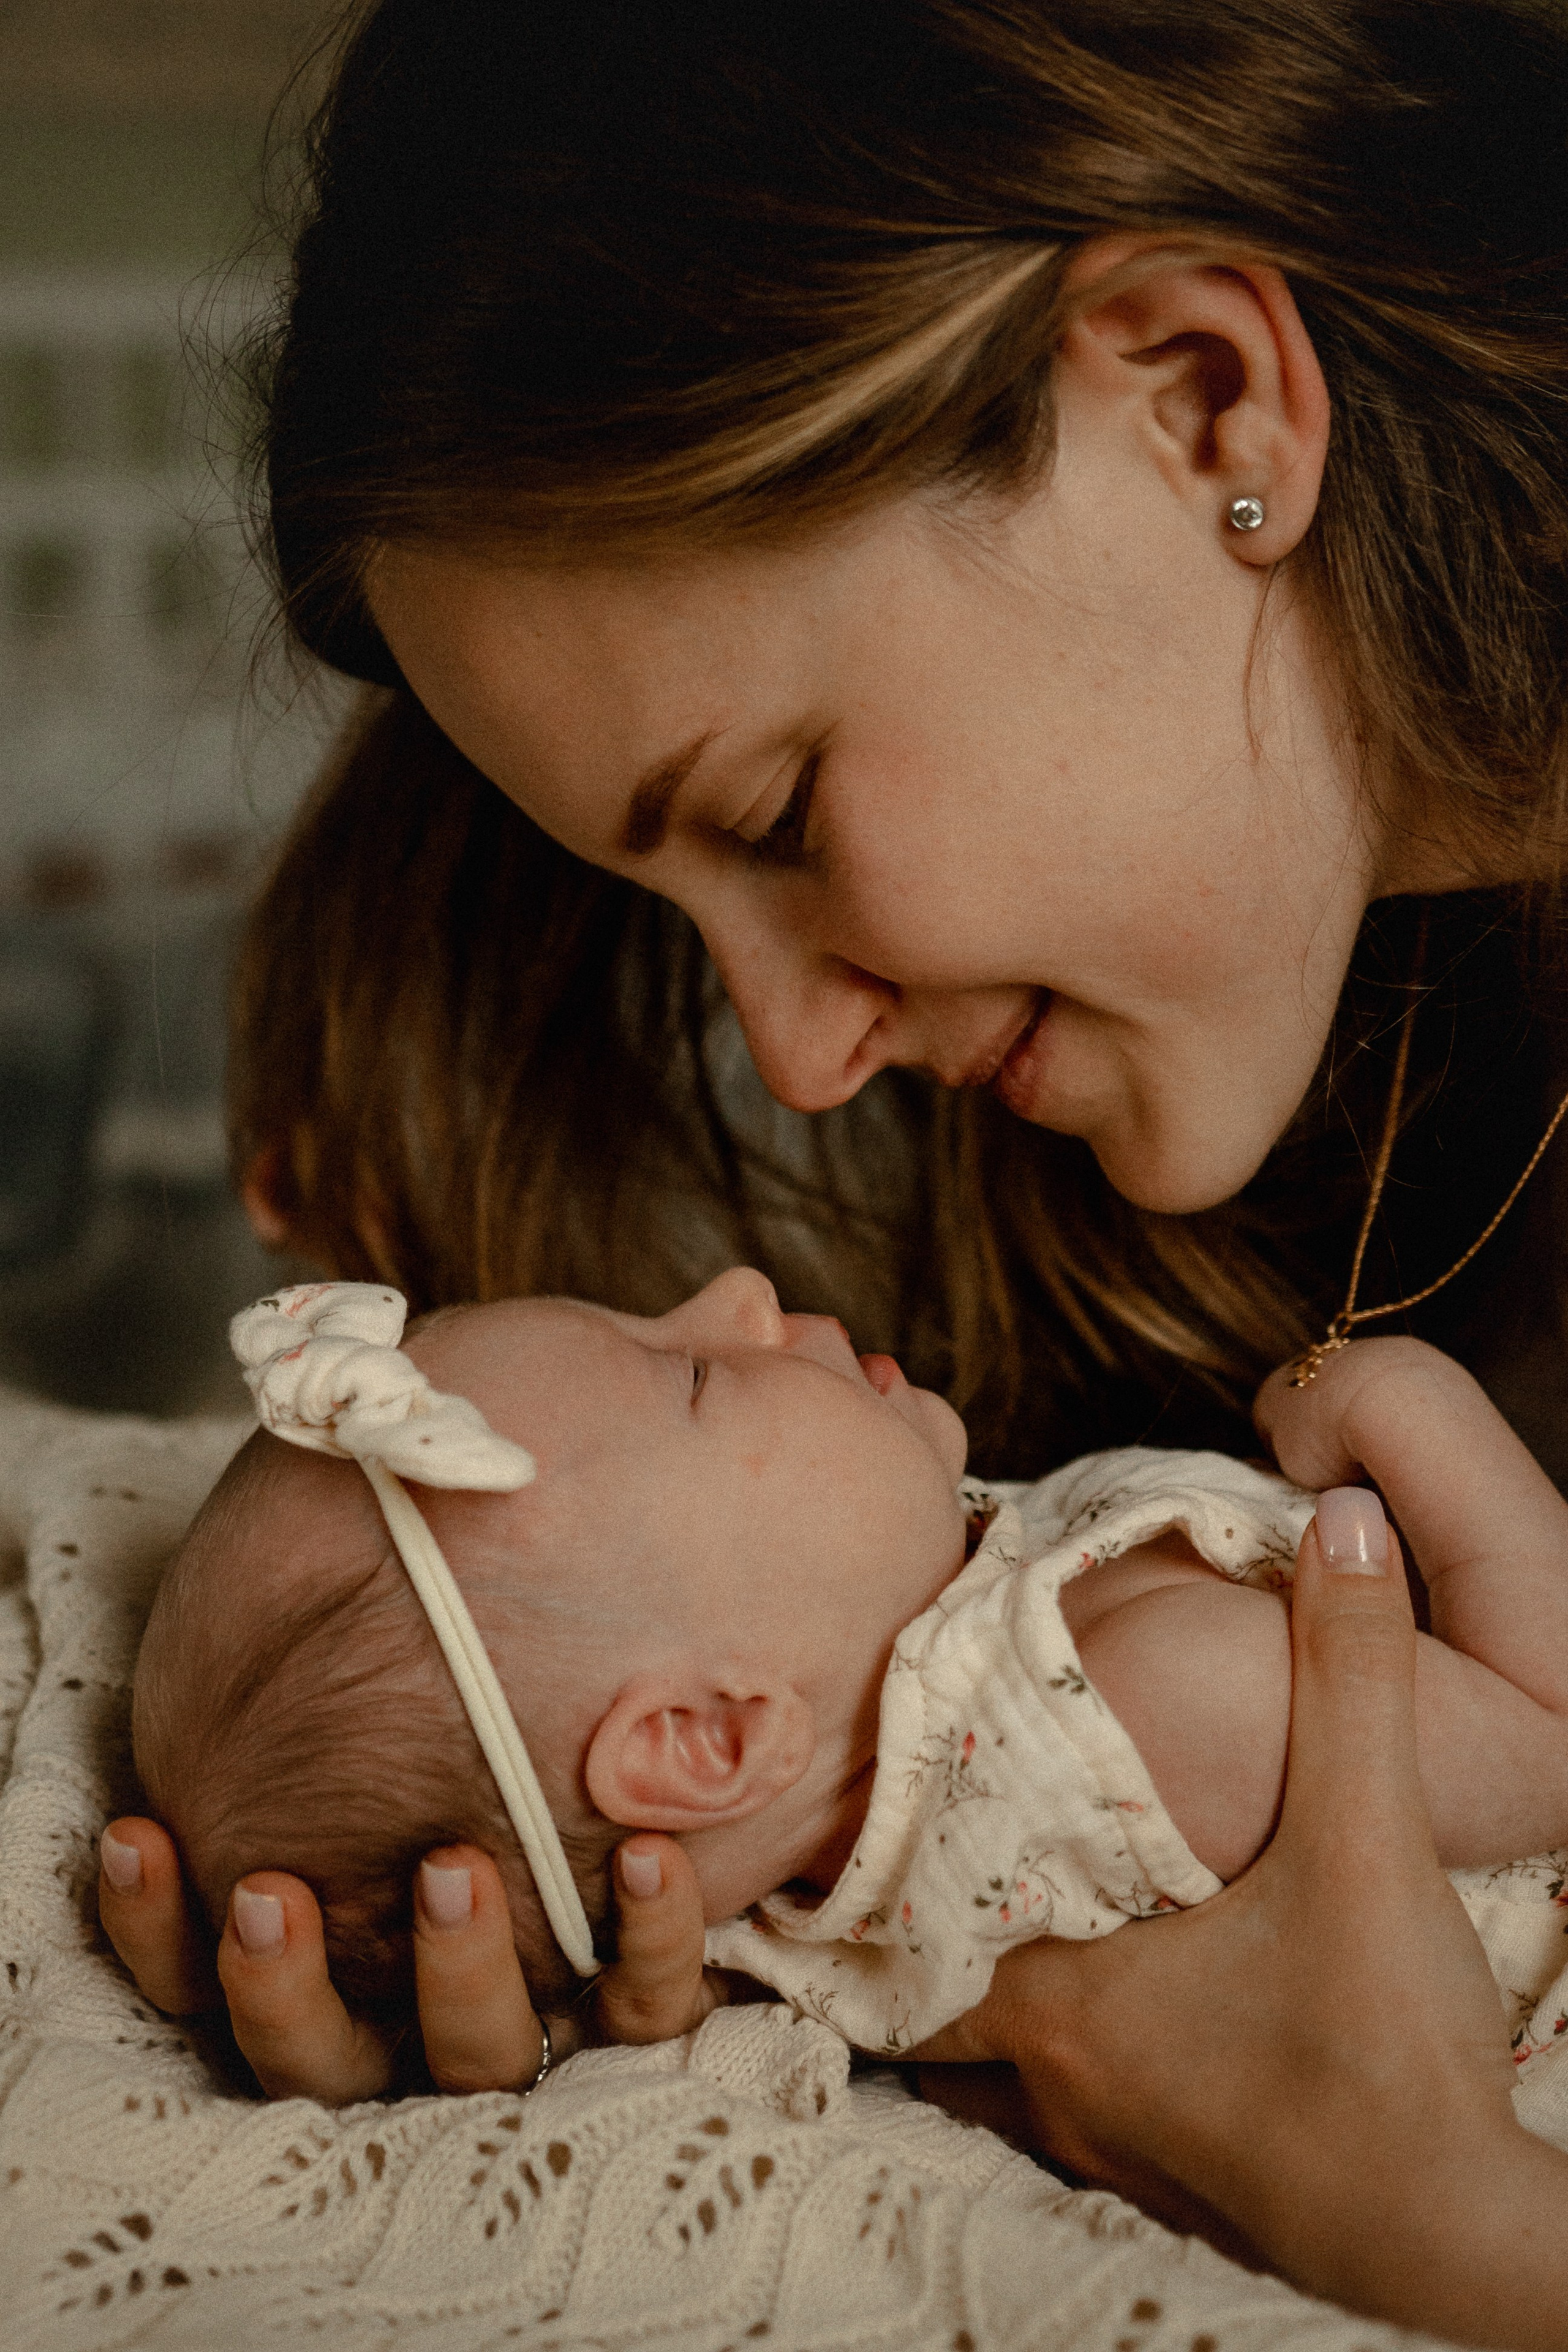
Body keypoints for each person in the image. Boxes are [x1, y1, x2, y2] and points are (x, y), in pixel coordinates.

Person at [90, 1, 1568, 2335]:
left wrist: (1445, 2227)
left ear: (1204, 409)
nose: (793, 1055)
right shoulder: (1315, 1091)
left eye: (779, 817)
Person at [135, 1270, 1568, 2072]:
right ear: (709, 1736)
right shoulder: (1148, 1707)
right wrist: (1415, 1410)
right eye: (689, 1373)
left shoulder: (829, 1883)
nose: (738, 1295)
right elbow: (1546, 1742)